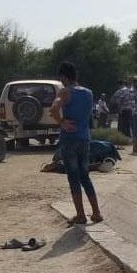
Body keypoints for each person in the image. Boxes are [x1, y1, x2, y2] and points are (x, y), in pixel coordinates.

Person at [50, 61, 103, 225]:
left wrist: (62, 122)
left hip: (69, 139)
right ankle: (96, 212)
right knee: (85, 176)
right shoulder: (88, 93)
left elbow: (53, 108)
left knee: (73, 177)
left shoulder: (65, 92)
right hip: (84, 138)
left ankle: (81, 215)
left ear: (64, 77)